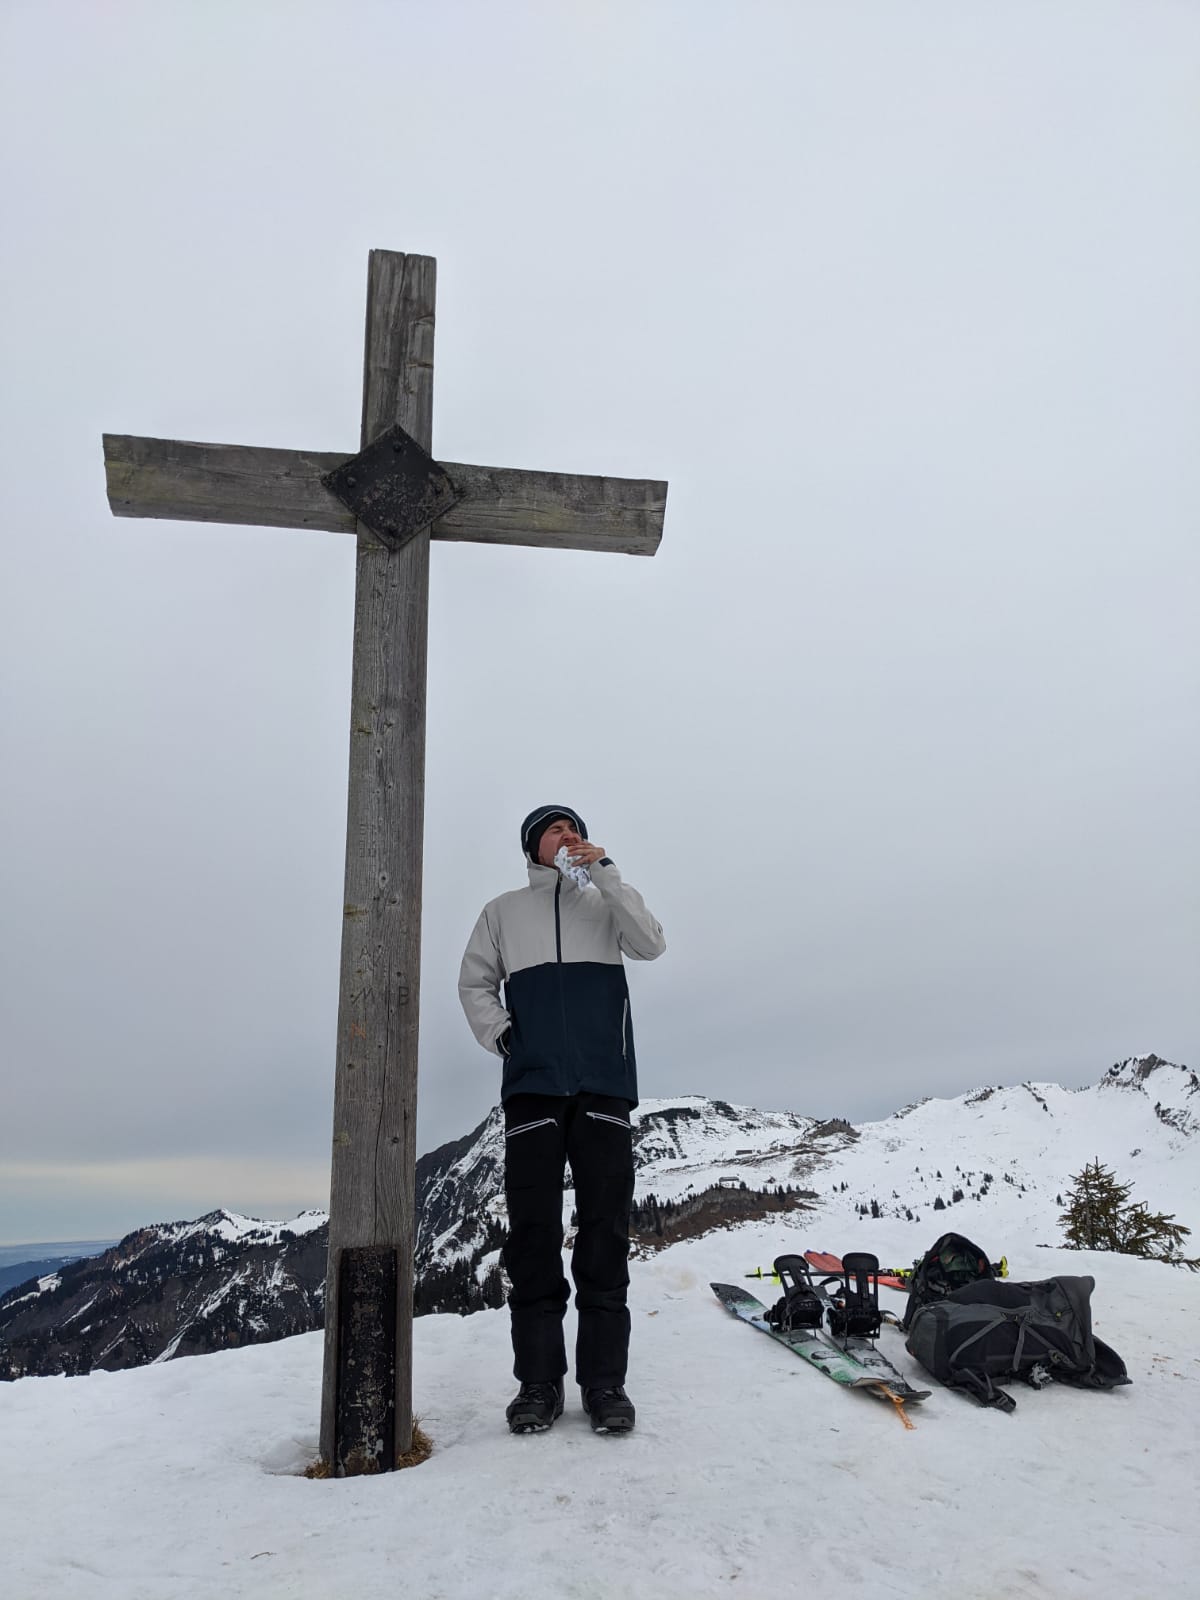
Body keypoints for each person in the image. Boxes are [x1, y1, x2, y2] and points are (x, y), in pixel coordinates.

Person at [458, 805, 666, 1434]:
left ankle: (604, 1385)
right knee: (533, 1237)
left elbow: (651, 943)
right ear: (533, 846)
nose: (568, 835)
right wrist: (503, 1037)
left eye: (574, 828)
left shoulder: (605, 902)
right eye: (555, 829)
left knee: (605, 1235)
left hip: (604, 1086)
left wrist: (606, 871)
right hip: (532, 1089)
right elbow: (474, 983)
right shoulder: (502, 911)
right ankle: (538, 1384)